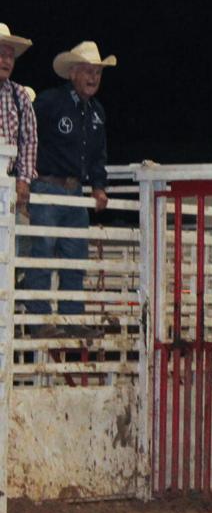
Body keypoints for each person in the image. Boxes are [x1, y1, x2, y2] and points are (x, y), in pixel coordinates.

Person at [23, 40, 116, 336]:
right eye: (88, 71)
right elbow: (29, 134)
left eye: (97, 73)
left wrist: (98, 186)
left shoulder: (97, 112)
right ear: (73, 73)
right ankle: (40, 319)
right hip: (47, 186)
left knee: (75, 256)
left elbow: (98, 156)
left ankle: (71, 319)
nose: (93, 78)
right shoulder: (50, 102)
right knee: (43, 251)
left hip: (75, 193)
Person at [0, 24, 39, 218]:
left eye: (10, 56)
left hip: (9, 182)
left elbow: (29, 140)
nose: (6, 61)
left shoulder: (20, 95)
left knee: (14, 233)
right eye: (1, 55)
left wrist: (23, 179)